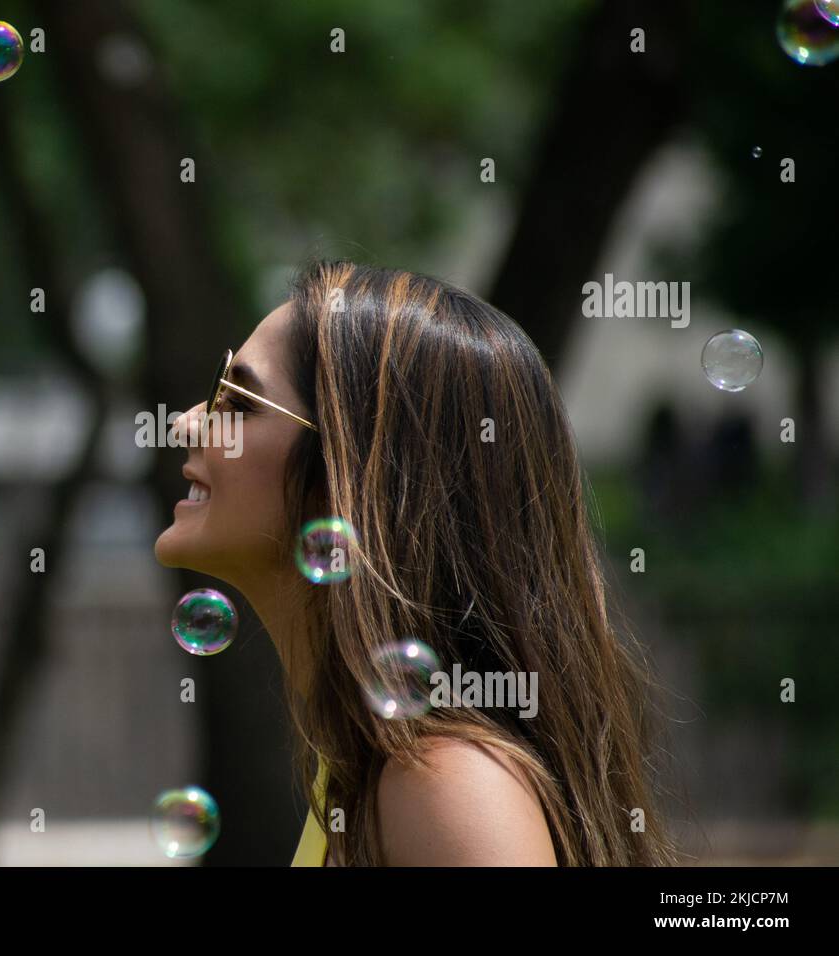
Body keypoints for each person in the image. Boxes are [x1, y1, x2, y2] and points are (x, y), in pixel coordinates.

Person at [154, 259, 678, 866]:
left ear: (346, 476)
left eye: (238, 402)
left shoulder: (442, 785)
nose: (188, 422)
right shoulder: (371, 770)